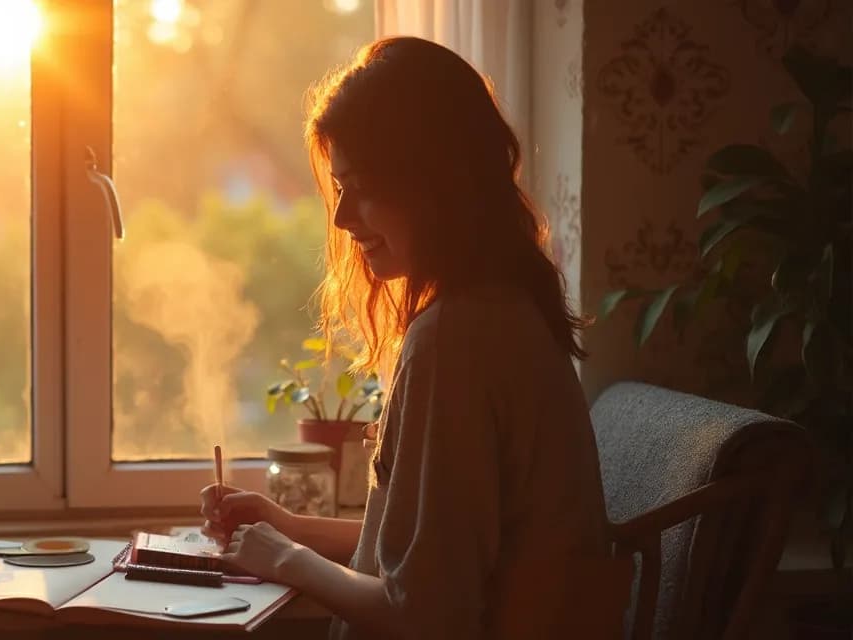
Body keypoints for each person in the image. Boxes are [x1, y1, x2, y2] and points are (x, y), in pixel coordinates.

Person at [199, 37, 630, 639]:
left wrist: (285, 558)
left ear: (431, 182)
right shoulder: (504, 311)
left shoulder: (455, 341)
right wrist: (289, 527)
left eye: (360, 186)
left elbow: (425, 611)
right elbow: (428, 545)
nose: (344, 219)